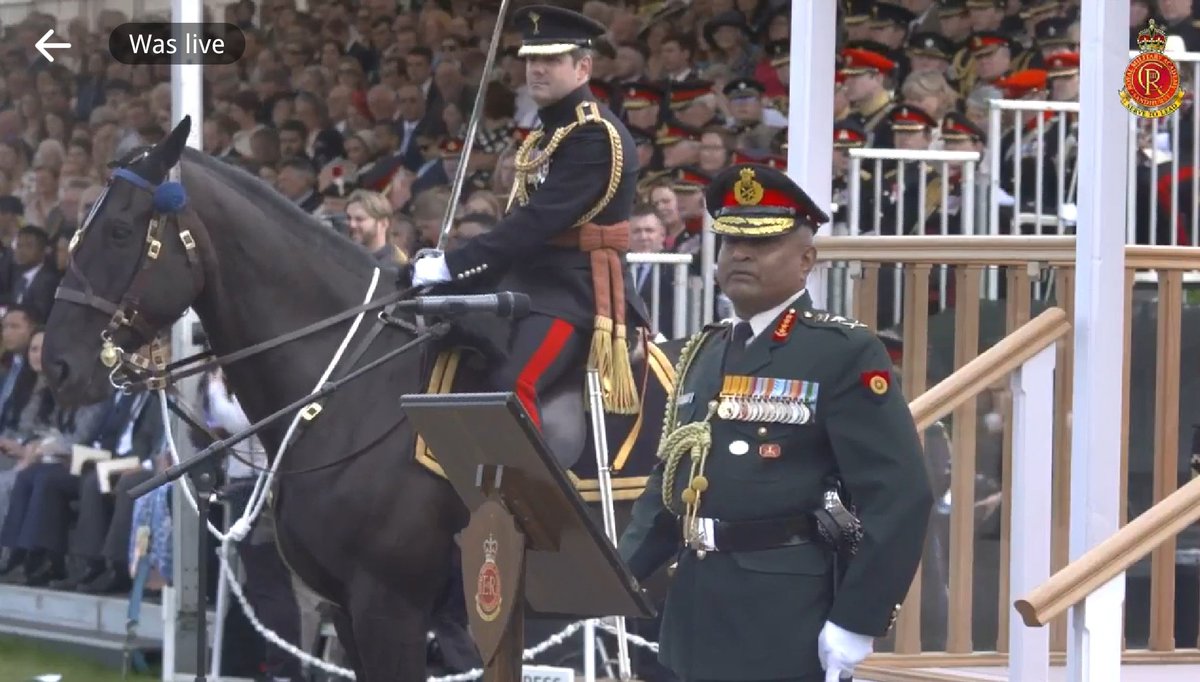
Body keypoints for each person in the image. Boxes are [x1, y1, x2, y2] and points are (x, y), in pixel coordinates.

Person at [617, 163, 933, 682]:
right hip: (695, 607)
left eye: (761, 244)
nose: (739, 254)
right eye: (730, 242)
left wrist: (858, 619)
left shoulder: (840, 351)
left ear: (806, 259)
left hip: (784, 612)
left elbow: (899, 495)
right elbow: (672, 485)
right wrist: (615, 573)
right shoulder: (705, 349)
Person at [405, 5, 646, 424]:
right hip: (528, 281)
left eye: (552, 59)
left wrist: (454, 264)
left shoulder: (593, 135)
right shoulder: (546, 131)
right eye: (532, 58)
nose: (537, 68)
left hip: (573, 291)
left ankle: (520, 490)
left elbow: (538, 223)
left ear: (583, 66)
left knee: (511, 384)